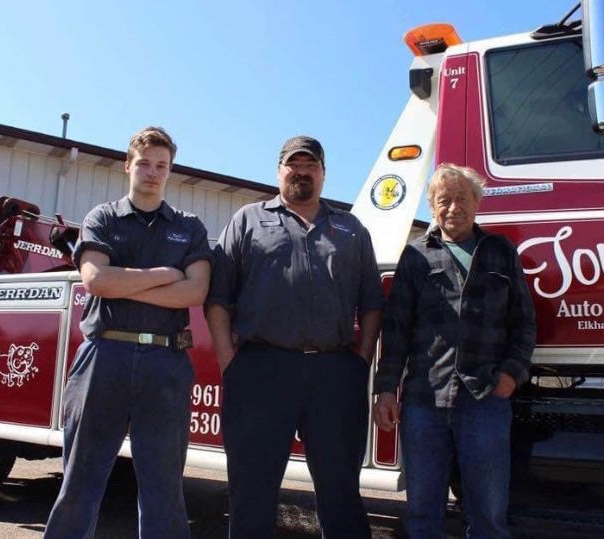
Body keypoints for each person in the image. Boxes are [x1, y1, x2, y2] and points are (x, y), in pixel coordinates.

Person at [206, 135, 384, 539]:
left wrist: (360, 362)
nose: (301, 172)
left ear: (323, 173)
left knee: (341, 491)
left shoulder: (351, 229)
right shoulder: (247, 220)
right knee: (252, 490)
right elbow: (218, 299)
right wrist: (229, 362)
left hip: (335, 373)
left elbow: (372, 302)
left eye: (311, 165)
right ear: (279, 170)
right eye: (293, 164)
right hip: (260, 371)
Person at [44, 126, 211, 539]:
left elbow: (196, 291)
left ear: (170, 170)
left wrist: (130, 284)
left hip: (166, 362)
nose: (152, 173)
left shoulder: (189, 227)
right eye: (144, 164)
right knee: (80, 479)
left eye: (161, 165)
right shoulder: (102, 218)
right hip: (105, 357)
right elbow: (96, 281)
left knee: (164, 488)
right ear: (127, 165)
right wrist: (162, 276)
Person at [372, 163, 536, 539]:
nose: (453, 207)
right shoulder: (415, 257)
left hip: (485, 398)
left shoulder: (500, 252)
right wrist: (386, 389)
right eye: (443, 200)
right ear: (432, 207)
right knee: (421, 513)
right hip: (423, 401)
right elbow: (395, 330)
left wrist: (510, 375)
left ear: (477, 203)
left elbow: (523, 324)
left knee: (489, 516)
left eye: (462, 198)